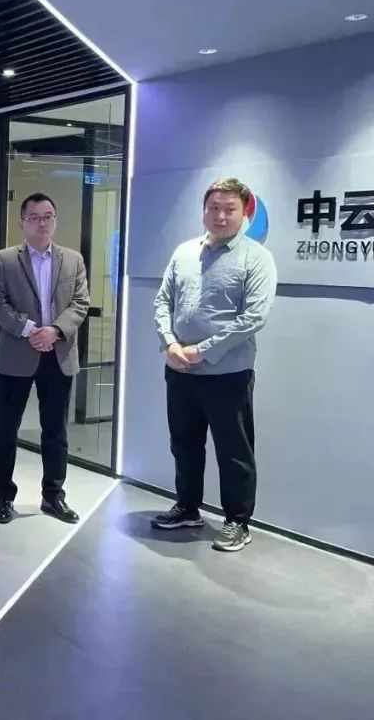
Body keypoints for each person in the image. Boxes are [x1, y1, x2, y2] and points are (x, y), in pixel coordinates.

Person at [151, 177, 277, 552]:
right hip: (180, 371)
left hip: (228, 375)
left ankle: (237, 520)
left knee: (233, 451)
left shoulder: (256, 258)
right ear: (204, 210)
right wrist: (170, 343)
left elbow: (253, 318)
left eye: (229, 209)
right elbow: (163, 302)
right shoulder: (184, 252)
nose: (220, 216)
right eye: (214, 208)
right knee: (184, 445)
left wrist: (202, 350)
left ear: (245, 213)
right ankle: (187, 507)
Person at [0, 192, 89, 526]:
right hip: (17, 355)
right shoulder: (3, 260)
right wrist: (31, 329)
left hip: (58, 355)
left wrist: (54, 331)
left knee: (55, 431)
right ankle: (4, 498)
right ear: (22, 222)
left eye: (47, 217)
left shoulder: (73, 259)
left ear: (55, 220)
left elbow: (80, 303)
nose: (42, 223)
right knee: (6, 430)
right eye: (34, 217)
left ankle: (53, 496)